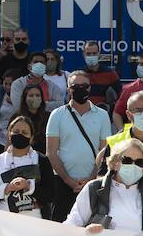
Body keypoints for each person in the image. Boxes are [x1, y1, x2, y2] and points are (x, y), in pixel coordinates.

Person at [45, 70, 115, 222]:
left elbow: (104, 151)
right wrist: (68, 180)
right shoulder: (56, 115)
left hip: (94, 183)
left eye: (85, 85)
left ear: (90, 88)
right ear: (69, 89)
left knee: (92, 226)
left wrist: (91, 179)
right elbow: (51, 152)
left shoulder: (102, 115)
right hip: (63, 184)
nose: (81, 89)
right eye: (75, 86)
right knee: (60, 227)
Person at [68, 136, 143, 233]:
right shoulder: (93, 189)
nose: (133, 166)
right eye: (127, 160)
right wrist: (87, 231)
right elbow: (71, 224)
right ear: (115, 163)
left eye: (139, 162)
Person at [0, 115, 57, 218]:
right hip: (4, 221)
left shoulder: (42, 160)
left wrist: (28, 186)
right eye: (16, 132)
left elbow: (50, 195)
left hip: (35, 223)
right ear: (9, 134)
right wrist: (7, 189)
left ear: (31, 138)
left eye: (25, 133)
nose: (20, 135)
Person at [113, 52, 143, 127]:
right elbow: (117, 113)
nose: (139, 67)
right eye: (139, 64)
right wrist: (122, 131)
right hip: (134, 134)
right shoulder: (129, 89)